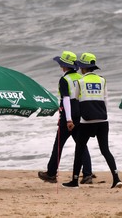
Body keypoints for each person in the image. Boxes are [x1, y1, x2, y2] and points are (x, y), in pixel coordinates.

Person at [62, 53, 122, 189]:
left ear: (82, 67)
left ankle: (74, 181)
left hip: (86, 121)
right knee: (105, 150)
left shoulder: (80, 81)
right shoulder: (102, 80)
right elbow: (106, 100)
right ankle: (116, 178)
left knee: (79, 149)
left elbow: (76, 98)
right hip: (103, 120)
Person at [38, 51, 93, 184]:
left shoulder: (64, 80)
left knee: (58, 145)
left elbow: (66, 100)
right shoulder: (81, 78)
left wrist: (68, 119)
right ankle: (87, 174)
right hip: (80, 112)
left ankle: (51, 173)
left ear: (64, 66)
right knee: (82, 144)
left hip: (69, 114)